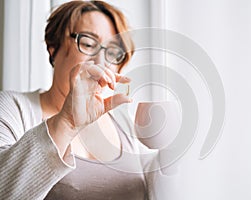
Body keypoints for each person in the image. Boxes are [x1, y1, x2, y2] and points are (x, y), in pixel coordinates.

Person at [0, 1, 164, 199]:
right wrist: (67, 123)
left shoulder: (125, 125)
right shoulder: (11, 109)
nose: (101, 61)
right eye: (87, 43)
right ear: (53, 48)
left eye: (112, 52)